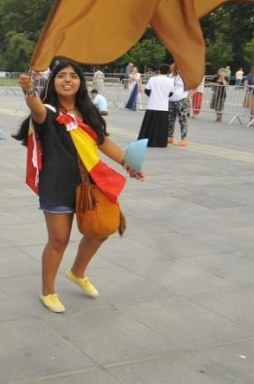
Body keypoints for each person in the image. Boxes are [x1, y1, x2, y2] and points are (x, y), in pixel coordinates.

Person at [14, 60, 143, 313]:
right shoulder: (48, 111)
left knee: (102, 229)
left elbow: (103, 142)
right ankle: (48, 291)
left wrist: (128, 163)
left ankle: (77, 272)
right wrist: (29, 91)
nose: (68, 79)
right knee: (58, 240)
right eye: (62, 75)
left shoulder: (88, 112)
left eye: (73, 76)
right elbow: (36, 109)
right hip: (57, 185)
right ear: (53, 82)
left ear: (80, 83)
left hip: (89, 184)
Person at [138, 64, 173, 147]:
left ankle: (146, 140)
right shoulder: (170, 81)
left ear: (159, 70)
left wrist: (153, 96)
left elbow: (147, 90)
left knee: (149, 123)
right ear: (168, 71)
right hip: (163, 106)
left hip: (152, 104)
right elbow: (171, 93)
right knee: (161, 125)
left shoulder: (152, 79)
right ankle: (160, 142)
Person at [167, 63, 190, 146]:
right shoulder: (171, 75)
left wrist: (188, 97)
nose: (177, 70)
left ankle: (183, 139)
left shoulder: (186, 76)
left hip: (182, 100)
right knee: (170, 120)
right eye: (176, 68)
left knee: (182, 120)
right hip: (171, 100)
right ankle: (170, 137)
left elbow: (195, 87)